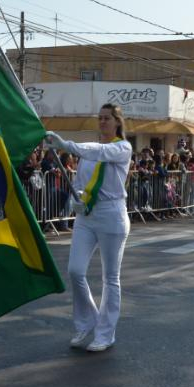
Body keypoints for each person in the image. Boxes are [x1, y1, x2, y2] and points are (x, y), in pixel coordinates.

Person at [44, 103, 132, 352]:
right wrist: (77, 198)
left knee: (110, 278)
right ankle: (88, 321)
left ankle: (106, 333)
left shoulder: (122, 148)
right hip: (86, 216)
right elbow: (81, 180)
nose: (102, 122)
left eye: (107, 118)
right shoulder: (90, 152)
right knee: (75, 271)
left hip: (111, 214)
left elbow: (98, 152)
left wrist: (66, 145)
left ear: (117, 122)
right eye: (100, 118)